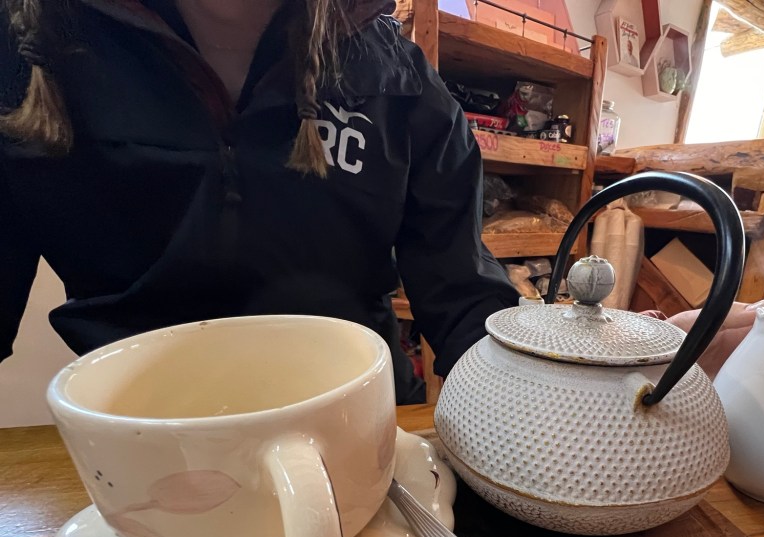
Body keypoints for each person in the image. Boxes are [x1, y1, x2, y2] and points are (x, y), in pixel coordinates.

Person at [0, 0, 520, 405]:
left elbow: (465, 300)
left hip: (358, 426)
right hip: (132, 441)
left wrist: (526, 411)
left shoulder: (400, 80)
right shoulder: (28, 46)